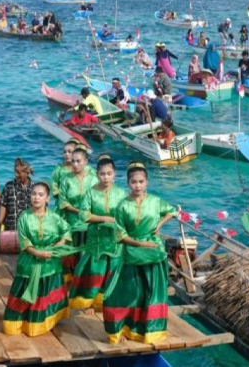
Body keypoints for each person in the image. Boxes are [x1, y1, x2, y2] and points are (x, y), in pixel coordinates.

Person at [104, 162, 175, 344]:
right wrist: (139, 243)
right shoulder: (122, 206)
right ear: (128, 183)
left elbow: (172, 211)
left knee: (153, 293)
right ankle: (128, 328)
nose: (138, 186)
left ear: (147, 182)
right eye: (134, 182)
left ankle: (151, 332)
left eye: (141, 182)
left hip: (154, 254)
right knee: (131, 293)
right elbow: (120, 235)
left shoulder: (155, 201)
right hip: (132, 253)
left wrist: (159, 224)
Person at [3, 182, 71, 337]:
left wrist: (56, 248)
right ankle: (20, 322)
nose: (36, 197)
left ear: (47, 198)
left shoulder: (54, 217)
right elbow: (24, 241)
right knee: (23, 293)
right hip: (30, 260)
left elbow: (66, 232)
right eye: (33, 194)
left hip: (50, 261)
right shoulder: (24, 217)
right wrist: (37, 253)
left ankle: (45, 321)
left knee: (47, 291)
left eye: (40, 195)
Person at [69, 155, 127, 311]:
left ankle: (107, 302)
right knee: (95, 270)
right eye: (102, 174)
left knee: (112, 270)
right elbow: (83, 215)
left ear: (114, 173)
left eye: (109, 173)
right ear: (97, 174)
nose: (106, 177)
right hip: (97, 239)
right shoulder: (91, 193)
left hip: (114, 241)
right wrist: (105, 219)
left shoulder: (121, 193)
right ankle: (89, 301)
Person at [58, 146, 99, 283]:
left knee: (87, 252)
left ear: (86, 161)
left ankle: (86, 280)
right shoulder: (66, 179)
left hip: (90, 222)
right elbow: (63, 202)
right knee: (71, 251)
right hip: (72, 221)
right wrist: (79, 212)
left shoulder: (94, 179)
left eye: (78, 161)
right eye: (73, 161)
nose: (74, 164)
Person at [0, 158, 34, 239]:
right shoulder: (9, 186)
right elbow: (3, 206)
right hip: (10, 231)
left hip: (28, 233)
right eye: (15, 171)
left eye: (18, 172)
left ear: (27, 173)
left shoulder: (34, 188)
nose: (16, 175)